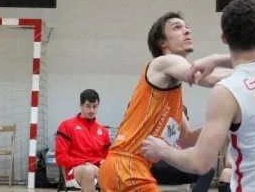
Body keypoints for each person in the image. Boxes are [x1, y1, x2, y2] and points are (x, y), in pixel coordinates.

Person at [141, 0, 255, 192]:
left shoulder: (227, 91)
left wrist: (162, 150)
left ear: (224, 38)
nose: (187, 30)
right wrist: (217, 60)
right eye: (177, 27)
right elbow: (187, 139)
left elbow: (199, 163)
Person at [97, 12, 235, 192]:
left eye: (186, 27)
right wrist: (252, 69)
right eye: (177, 27)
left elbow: (187, 139)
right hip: (128, 166)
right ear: (163, 43)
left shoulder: (173, 97)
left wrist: (223, 124)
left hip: (122, 168)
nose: (186, 30)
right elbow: (207, 78)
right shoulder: (163, 62)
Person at [54, 89, 110, 192]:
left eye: (95, 106)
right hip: (75, 171)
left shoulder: (103, 131)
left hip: (98, 170)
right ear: (81, 105)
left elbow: (108, 158)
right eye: (88, 106)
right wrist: (87, 163)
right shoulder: (66, 126)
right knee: (88, 170)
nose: (92, 111)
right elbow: (60, 158)